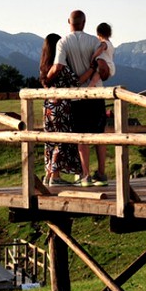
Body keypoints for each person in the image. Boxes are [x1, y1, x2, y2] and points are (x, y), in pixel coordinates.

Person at [47, 10, 110, 187]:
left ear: (69, 21)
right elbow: (103, 68)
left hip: (75, 97)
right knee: (100, 135)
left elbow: (58, 66)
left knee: (81, 137)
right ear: (84, 22)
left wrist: (48, 78)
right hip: (96, 94)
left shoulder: (63, 43)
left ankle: (85, 175)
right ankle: (102, 174)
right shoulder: (94, 41)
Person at [39, 33, 82, 185]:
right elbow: (76, 81)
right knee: (62, 139)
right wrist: (91, 68)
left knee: (50, 140)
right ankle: (55, 177)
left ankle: (48, 174)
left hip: (48, 106)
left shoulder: (43, 67)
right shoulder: (61, 66)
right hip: (62, 106)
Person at [81, 22, 116, 88]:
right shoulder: (110, 44)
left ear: (98, 34)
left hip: (105, 66)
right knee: (96, 80)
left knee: (94, 80)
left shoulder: (104, 43)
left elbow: (101, 49)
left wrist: (93, 57)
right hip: (110, 66)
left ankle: (88, 90)